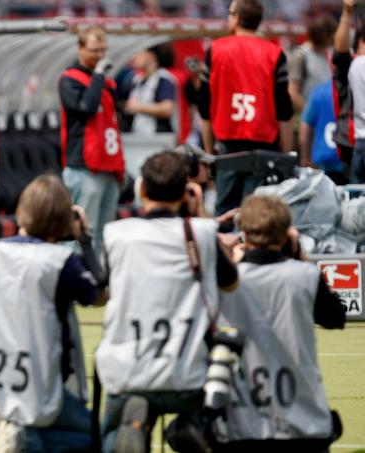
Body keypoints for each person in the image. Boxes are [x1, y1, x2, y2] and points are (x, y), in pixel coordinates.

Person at [96, 150, 239, 452]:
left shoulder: (116, 235)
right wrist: (197, 213)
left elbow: (99, 294)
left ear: (141, 190)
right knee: (218, 416)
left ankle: (131, 427)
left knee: (111, 431)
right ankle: (191, 427)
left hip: (128, 371)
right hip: (187, 372)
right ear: (184, 193)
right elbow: (232, 282)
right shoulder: (201, 233)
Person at [0, 174, 106, 452]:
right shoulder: (59, 261)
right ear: (64, 221)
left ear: (22, 211)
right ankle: (26, 439)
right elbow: (99, 295)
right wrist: (85, 240)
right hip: (45, 386)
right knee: (101, 440)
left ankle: (11, 434)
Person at [210, 195, 345, 452]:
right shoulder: (304, 276)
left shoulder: (226, 280)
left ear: (245, 233)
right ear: (286, 234)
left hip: (241, 422)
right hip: (304, 420)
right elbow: (336, 317)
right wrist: (301, 256)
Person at [199, 0, 294, 216]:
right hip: (265, 147)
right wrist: (287, 156)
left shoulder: (215, 50)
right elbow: (284, 110)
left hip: (228, 146)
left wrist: (208, 151)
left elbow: (204, 107)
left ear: (238, 18)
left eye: (230, 13)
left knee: (224, 214)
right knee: (259, 216)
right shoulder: (274, 53)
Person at [59, 25, 125, 257]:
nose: (99, 56)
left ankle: (97, 286)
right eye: (94, 50)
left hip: (108, 165)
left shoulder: (107, 83)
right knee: (82, 230)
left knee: (104, 232)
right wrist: (97, 75)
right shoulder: (70, 80)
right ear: (80, 48)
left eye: (103, 50)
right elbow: (86, 108)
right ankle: (74, 284)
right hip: (84, 166)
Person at [334, 0, 365, 183]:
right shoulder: (354, 64)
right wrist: (346, 12)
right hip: (351, 138)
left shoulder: (356, 65)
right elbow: (340, 53)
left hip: (357, 140)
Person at [300, 79, 348, 184]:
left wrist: (305, 158)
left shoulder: (319, 92)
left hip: (323, 161)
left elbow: (305, 126)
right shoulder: (354, 90)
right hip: (347, 162)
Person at [124, 43, 178, 134]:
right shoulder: (136, 80)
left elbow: (167, 109)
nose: (134, 57)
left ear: (151, 55)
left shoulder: (163, 78)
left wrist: (138, 107)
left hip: (158, 138)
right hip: (138, 137)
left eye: (138, 52)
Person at [287, 15, 336, 114]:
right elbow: (293, 92)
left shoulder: (325, 55)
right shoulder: (300, 55)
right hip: (306, 120)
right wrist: (310, 114)